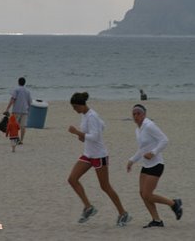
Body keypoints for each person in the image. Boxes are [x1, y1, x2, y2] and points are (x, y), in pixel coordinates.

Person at [67, 92, 131, 227]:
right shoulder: (85, 115)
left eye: (75, 107)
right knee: (72, 179)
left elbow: (95, 136)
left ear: (80, 105)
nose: (74, 110)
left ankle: (123, 213)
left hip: (99, 155)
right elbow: (102, 126)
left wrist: (77, 133)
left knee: (105, 186)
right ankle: (88, 207)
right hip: (88, 154)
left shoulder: (92, 116)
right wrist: (83, 136)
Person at [126, 104, 183, 228]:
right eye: (134, 114)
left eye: (138, 113)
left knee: (148, 194)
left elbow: (164, 140)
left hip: (156, 164)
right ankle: (156, 220)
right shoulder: (138, 129)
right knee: (142, 193)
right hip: (146, 166)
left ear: (144, 114)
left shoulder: (149, 125)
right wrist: (132, 160)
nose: (135, 116)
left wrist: (153, 153)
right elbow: (142, 150)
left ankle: (173, 203)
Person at [5, 77, 32, 144]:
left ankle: (16, 138)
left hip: (16, 110)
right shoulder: (27, 91)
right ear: (24, 83)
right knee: (23, 126)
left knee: (14, 125)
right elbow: (30, 102)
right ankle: (21, 140)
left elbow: (13, 99)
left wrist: (7, 109)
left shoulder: (16, 89)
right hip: (25, 111)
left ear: (18, 82)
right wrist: (29, 110)